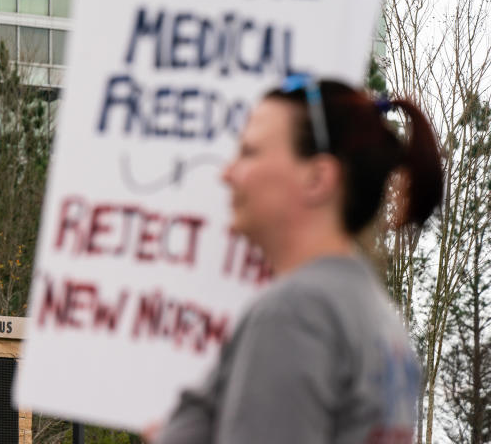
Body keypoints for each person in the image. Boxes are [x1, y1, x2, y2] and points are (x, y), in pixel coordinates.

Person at [148, 76, 443, 444]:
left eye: (250, 152)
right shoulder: (380, 320)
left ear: (318, 177)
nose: (227, 173)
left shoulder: (297, 313)